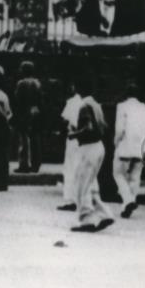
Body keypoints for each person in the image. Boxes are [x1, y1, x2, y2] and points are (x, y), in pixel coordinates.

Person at [70, 75, 113, 233]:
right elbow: (104, 126)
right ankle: (104, 214)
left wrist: (74, 134)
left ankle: (86, 219)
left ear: (79, 88)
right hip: (98, 146)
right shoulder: (95, 104)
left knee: (82, 184)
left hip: (88, 148)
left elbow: (87, 127)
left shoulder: (83, 105)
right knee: (92, 184)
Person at [113, 82, 145, 218]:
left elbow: (120, 129)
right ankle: (128, 204)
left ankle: (128, 200)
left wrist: (116, 142)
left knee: (118, 174)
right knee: (135, 177)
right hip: (140, 148)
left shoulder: (122, 107)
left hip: (125, 146)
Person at [14, 60, 43, 173]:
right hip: (36, 111)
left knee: (24, 139)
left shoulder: (21, 83)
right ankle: (36, 163)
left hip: (24, 112)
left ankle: (24, 164)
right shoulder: (37, 83)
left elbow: (18, 100)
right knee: (35, 138)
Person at [58, 82, 83, 211]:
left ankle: (70, 199)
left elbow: (65, 120)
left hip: (73, 137)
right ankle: (80, 198)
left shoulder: (72, 102)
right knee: (80, 169)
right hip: (85, 140)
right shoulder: (88, 102)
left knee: (69, 169)